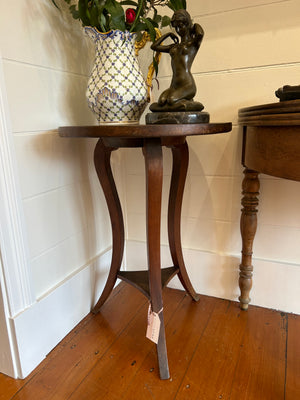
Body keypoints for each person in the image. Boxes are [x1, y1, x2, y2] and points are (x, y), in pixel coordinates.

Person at [150, 9, 204, 111]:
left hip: (187, 85)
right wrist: (168, 35)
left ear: (187, 24)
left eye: (181, 26)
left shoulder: (192, 44)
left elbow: (200, 33)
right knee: (161, 101)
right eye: (176, 27)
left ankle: (190, 104)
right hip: (174, 86)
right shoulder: (174, 47)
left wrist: (192, 25)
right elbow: (154, 46)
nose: (178, 30)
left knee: (170, 100)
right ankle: (183, 105)